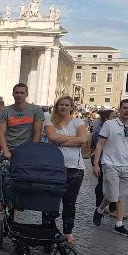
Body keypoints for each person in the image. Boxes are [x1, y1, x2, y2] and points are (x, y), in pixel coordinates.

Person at [0, 83, 43, 220]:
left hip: (27, 152)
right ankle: (3, 205)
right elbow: (1, 133)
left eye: (22, 93)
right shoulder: (6, 111)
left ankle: (4, 205)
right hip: (10, 150)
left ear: (26, 94)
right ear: (13, 94)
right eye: (17, 93)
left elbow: (37, 132)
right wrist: (6, 151)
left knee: (26, 182)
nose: (19, 95)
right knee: (6, 182)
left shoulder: (36, 110)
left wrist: (33, 151)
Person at [43, 96, 89, 246]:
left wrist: (61, 141)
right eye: (61, 104)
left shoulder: (78, 122)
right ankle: (48, 229)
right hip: (54, 167)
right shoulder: (50, 121)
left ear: (71, 107)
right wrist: (72, 139)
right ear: (57, 106)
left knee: (69, 202)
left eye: (66, 105)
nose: (63, 107)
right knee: (50, 200)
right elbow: (52, 137)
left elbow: (82, 140)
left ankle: (68, 231)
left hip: (75, 167)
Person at [92, 99, 128, 236]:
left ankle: (118, 224)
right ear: (120, 109)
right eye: (125, 108)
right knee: (113, 195)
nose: (127, 110)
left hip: (126, 165)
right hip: (109, 163)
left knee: (121, 196)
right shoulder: (109, 124)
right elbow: (100, 144)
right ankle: (101, 210)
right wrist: (96, 164)